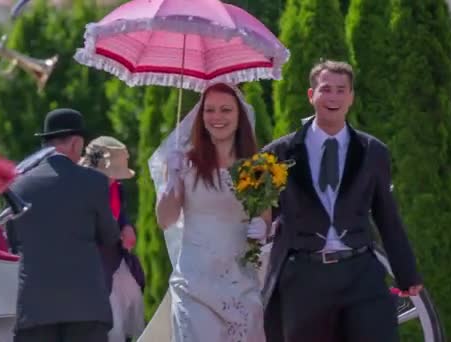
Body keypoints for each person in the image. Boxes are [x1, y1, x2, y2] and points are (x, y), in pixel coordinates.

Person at [261, 60, 423, 342]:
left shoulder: (373, 151)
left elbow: (386, 214)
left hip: (360, 272)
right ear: (311, 95)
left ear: (351, 97)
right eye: (326, 89)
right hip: (303, 275)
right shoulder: (279, 152)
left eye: (341, 90)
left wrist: (406, 272)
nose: (333, 97)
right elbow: (264, 212)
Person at [139, 83, 269, 341]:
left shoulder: (257, 167)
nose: (217, 117)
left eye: (225, 110)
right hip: (194, 282)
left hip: (239, 282)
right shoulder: (184, 162)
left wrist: (262, 228)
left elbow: (265, 220)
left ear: (239, 117)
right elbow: (165, 220)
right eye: (209, 110)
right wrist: (172, 182)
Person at [7, 108, 121, 342]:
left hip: (35, 309)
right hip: (86, 308)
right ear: (76, 144)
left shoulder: (17, 187)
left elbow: (14, 240)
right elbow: (110, 236)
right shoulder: (94, 182)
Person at [80, 136, 146, 342]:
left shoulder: (117, 188)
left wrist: (127, 227)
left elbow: (121, 216)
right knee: (110, 319)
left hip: (115, 258)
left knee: (131, 298)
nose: (113, 179)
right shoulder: (82, 190)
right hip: (92, 265)